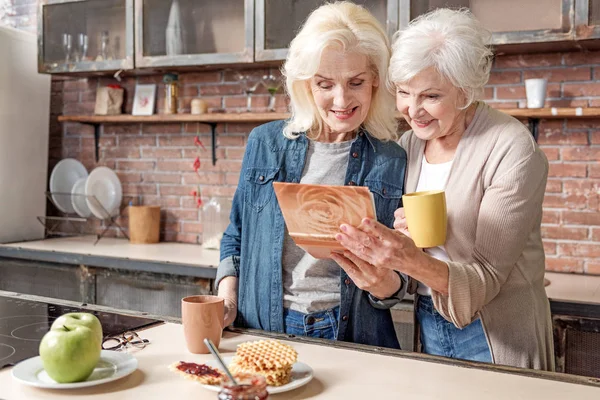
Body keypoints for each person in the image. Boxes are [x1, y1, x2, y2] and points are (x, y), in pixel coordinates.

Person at [334, 8, 554, 370]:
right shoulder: (409, 145)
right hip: (428, 322)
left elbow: (485, 280)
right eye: (404, 92)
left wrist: (409, 258)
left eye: (431, 96)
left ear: (466, 91)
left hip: (495, 333)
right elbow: (407, 264)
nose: (413, 110)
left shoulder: (511, 148)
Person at [215, 2, 407, 349]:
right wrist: (227, 302)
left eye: (356, 82)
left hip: (354, 335)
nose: (341, 98)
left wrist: (385, 284)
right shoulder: (265, 143)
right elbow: (235, 236)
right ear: (306, 84)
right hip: (264, 329)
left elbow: (402, 276)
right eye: (325, 84)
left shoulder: (391, 159)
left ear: (376, 80)